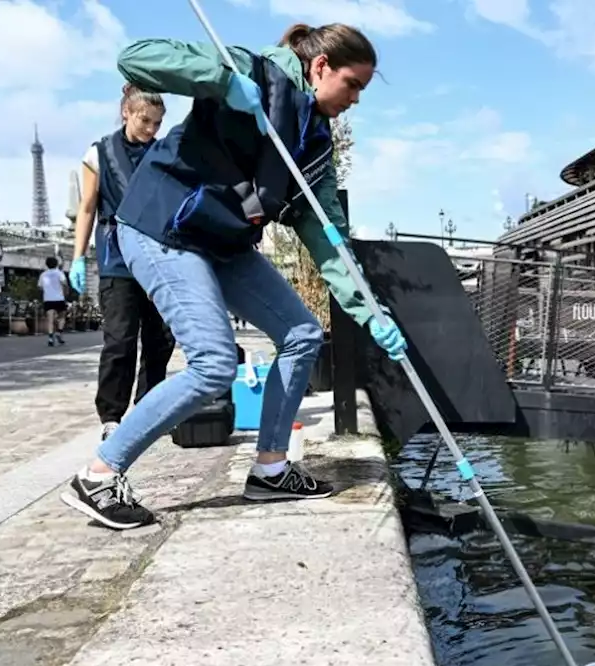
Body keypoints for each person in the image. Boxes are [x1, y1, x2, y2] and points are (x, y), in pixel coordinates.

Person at [61, 23, 407, 530]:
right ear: (320, 67)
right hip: (161, 228)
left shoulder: (313, 144)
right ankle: (98, 473)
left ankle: (270, 468)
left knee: (302, 334)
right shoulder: (250, 71)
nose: (355, 100)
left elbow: (328, 236)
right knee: (213, 363)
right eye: (353, 84)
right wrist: (221, 82)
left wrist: (369, 310)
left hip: (221, 242)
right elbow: (137, 57)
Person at [70, 84, 176, 441]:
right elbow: (87, 207)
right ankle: (112, 417)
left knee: (161, 338)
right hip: (117, 259)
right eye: (145, 120)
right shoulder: (99, 153)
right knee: (120, 340)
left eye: (158, 123)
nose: (151, 129)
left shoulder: (163, 152)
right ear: (126, 113)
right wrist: (78, 257)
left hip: (158, 256)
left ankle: (148, 407)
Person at [38, 257, 69, 346]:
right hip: (59, 298)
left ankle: (50, 338)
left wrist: (47, 289)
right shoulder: (59, 273)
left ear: (46, 264)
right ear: (56, 264)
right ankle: (59, 332)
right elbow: (65, 284)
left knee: (50, 319)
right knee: (62, 317)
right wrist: (65, 293)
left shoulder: (43, 275)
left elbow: (40, 287)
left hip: (48, 299)